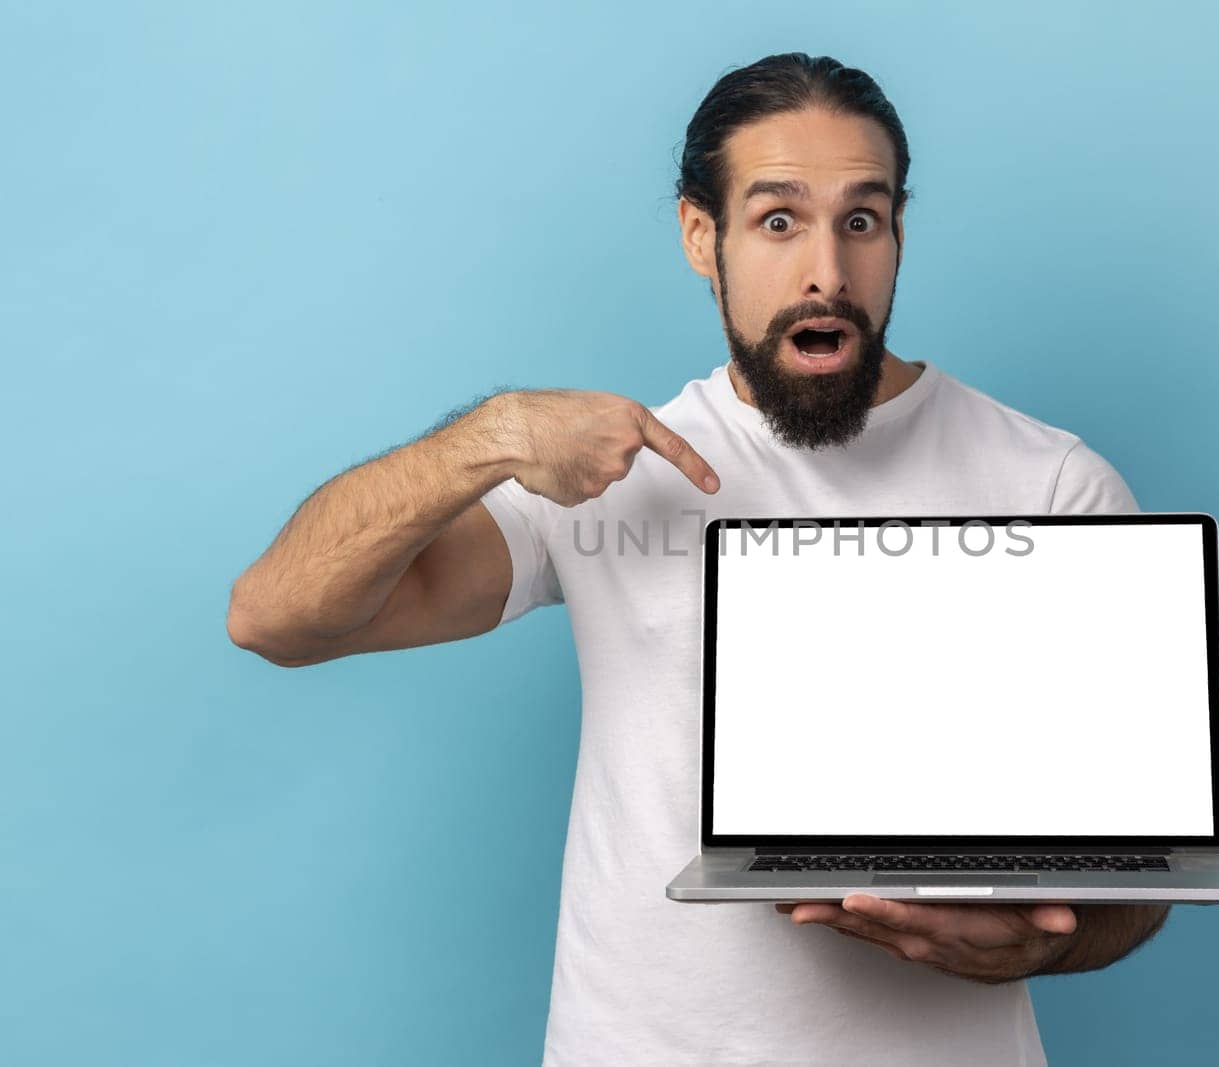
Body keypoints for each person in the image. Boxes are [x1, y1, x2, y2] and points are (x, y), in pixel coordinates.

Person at [228, 51, 1170, 1066]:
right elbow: (276, 616)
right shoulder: (608, 476)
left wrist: (1021, 945)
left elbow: (1139, 881)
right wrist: (487, 436)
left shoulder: (1051, 485)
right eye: (777, 220)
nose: (827, 270)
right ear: (699, 236)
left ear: (898, 230)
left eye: (862, 219)